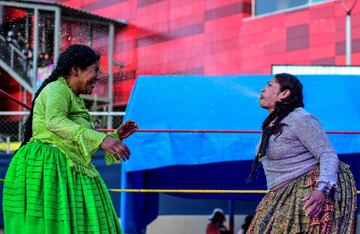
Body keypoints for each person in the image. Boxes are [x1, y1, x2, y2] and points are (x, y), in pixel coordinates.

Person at [3, 44, 138, 234]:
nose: (98, 77)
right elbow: (55, 122)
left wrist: (113, 137)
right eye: (94, 70)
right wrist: (101, 140)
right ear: (75, 70)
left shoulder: (74, 97)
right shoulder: (57, 88)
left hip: (67, 166)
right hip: (48, 168)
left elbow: (73, 138)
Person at [246, 73, 357, 233]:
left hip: (302, 191)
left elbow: (327, 154)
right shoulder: (274, 123)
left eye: (269, 85)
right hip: (279, 193)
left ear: (284, 93)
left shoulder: (300, 119)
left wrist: (321, 190)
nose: (263, 89)